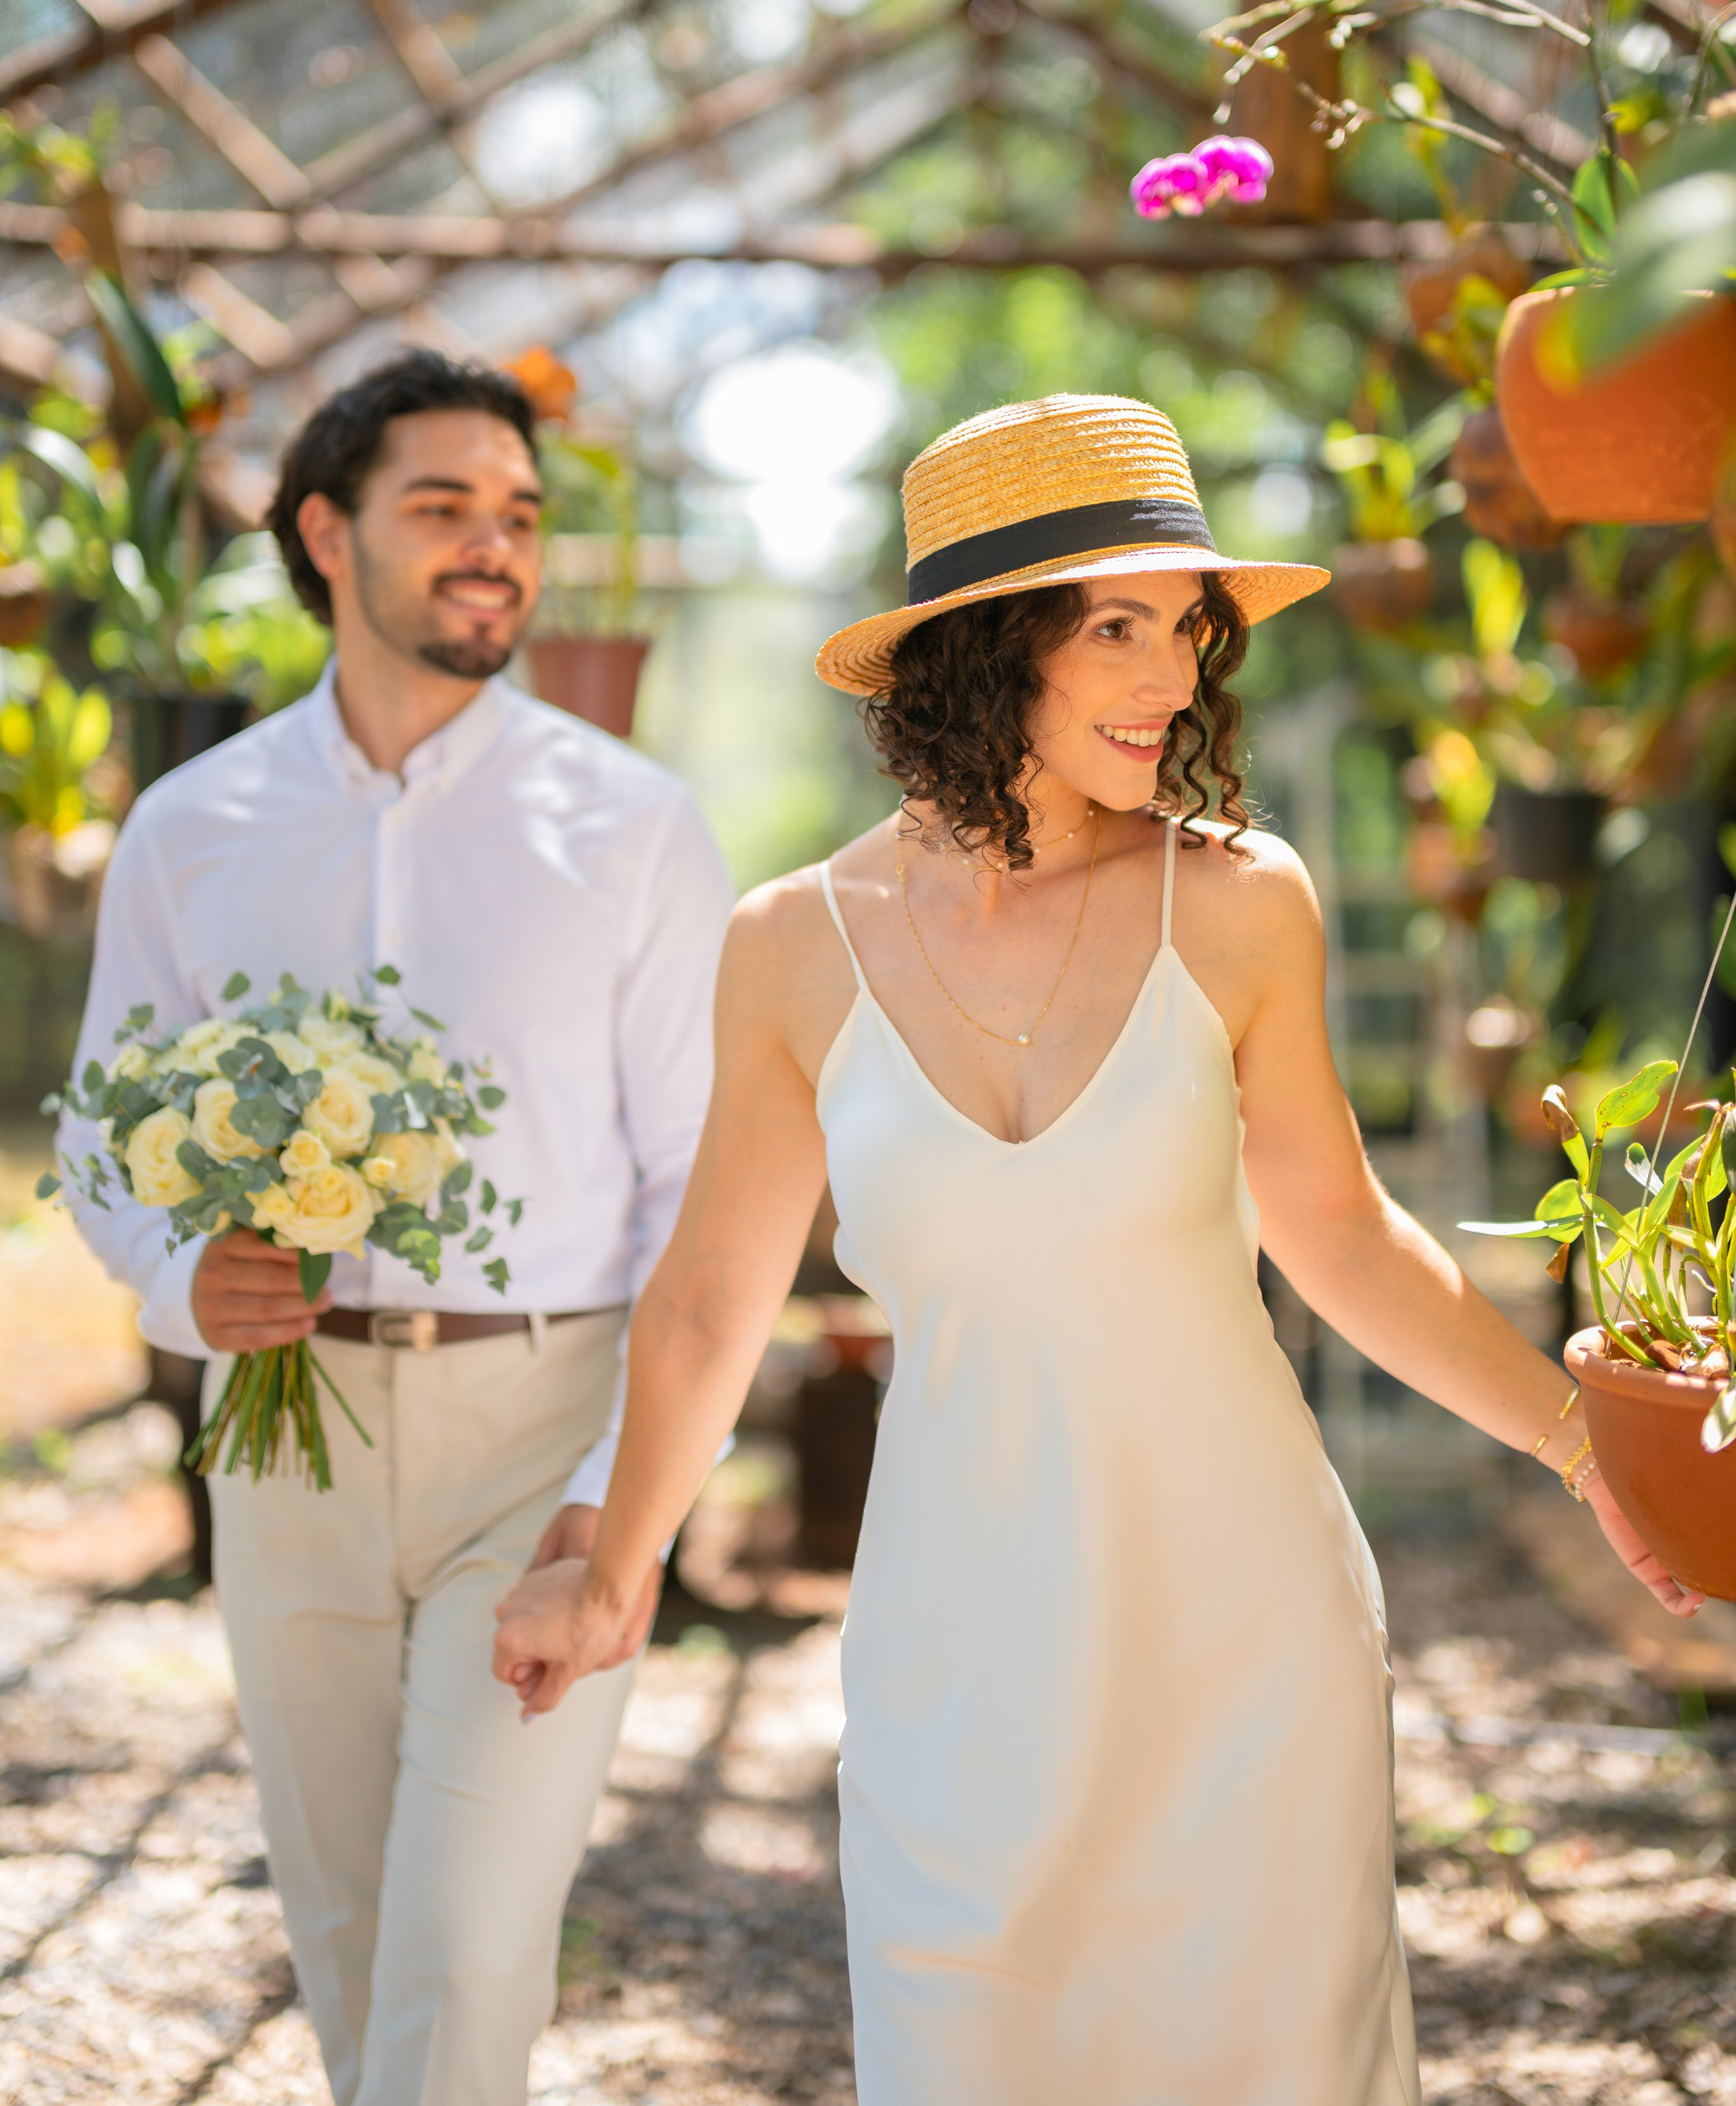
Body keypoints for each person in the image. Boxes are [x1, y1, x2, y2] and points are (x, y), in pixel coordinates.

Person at [491, 391, 1701, 2106]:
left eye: (1188, 628)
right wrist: (614, 1573)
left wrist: (1586, 1445)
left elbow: (1342, 1239)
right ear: (985, 652)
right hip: (953, 1645)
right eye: (1117, 626)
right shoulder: (792, 947)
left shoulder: (1238, 899)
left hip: (1244, 1623)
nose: (1173, 677)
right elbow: (705, 1302)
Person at [65, 351, 732, 2106]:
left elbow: (700, 1185)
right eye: (443, 508)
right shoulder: (189, 830)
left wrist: (623, 1491)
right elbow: (98, 1128)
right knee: (353, 1939)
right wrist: (176, 1279)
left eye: (518, 516)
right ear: (324, 534)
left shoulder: (639, 829)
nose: (494, 548)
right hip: (284, 1445)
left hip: (543, 1444)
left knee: (466, 1948)